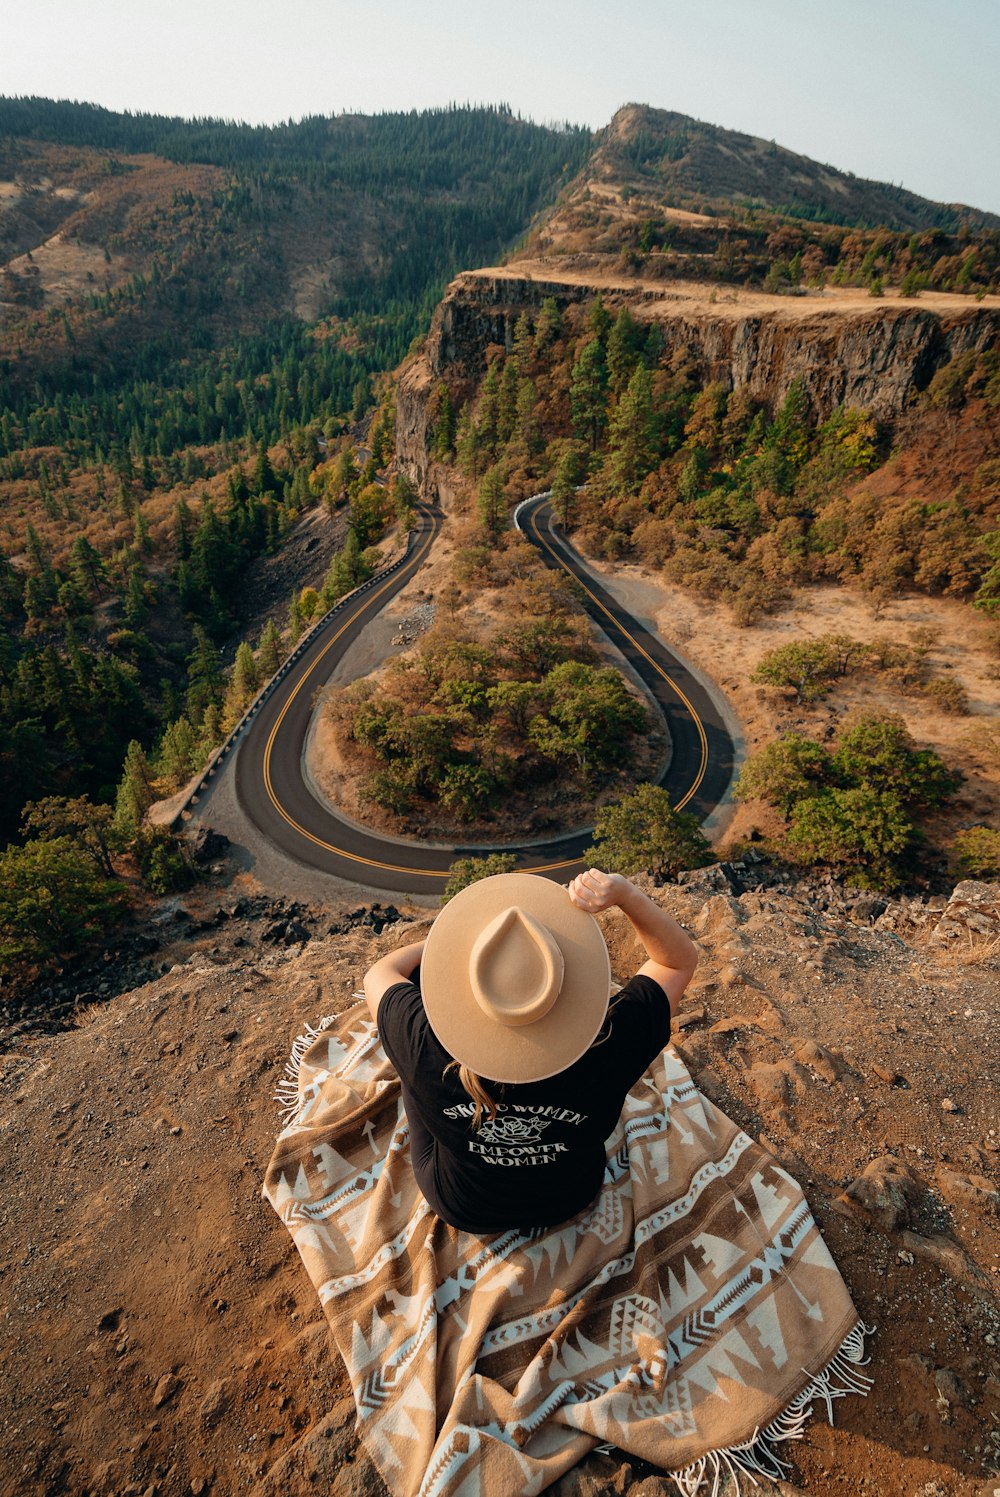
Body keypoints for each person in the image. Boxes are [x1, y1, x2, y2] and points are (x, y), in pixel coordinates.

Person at [362, 867, 699, 1234]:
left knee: (413, 1052)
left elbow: (380, 974)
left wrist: (446, 948)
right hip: (570, 1196)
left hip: (462, 1205)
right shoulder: (615, 1042)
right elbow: (675, 961)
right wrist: (626, 895)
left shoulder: (424, 1042)